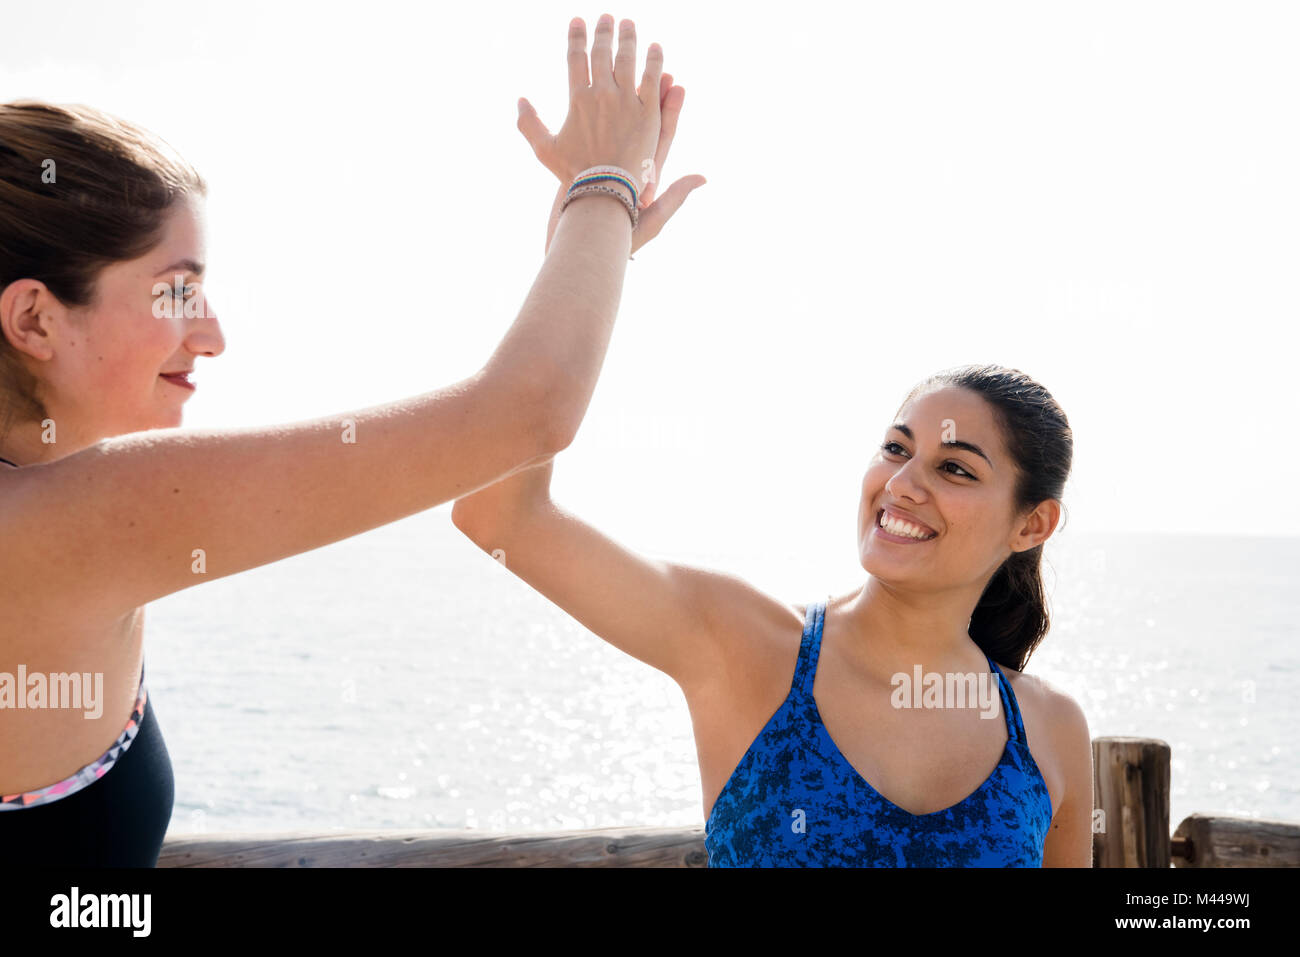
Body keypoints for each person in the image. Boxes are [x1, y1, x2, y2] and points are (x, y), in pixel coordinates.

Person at [0, 14, 704, 866]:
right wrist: (606, 185)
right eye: (177, 293)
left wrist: (580, 236)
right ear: (35, 317)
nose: (213, 334)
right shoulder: (68, 523)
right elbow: (523, 414)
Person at [452, 365, 1094, 866]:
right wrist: (595, 215)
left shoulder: (1048, 726)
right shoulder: (745, 644)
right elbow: (498, 515)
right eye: (896, 449)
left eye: (954, 468)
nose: (902, 485)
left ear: (1032, 524)